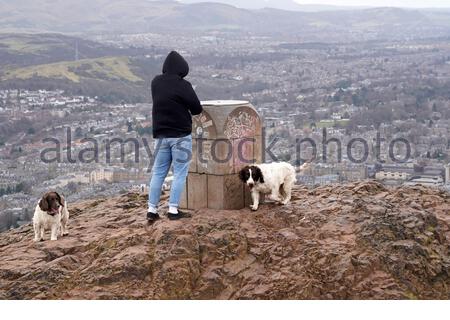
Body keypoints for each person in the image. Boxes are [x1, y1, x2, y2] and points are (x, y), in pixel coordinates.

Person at [147, 51, 203, 221]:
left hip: (161, 136)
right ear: (182, 69)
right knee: (179, 173)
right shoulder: (183, 85)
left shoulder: (155, 82)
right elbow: (197, 108)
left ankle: (152, 210)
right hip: (180, 136)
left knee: (158, 173)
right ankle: (173, 210)